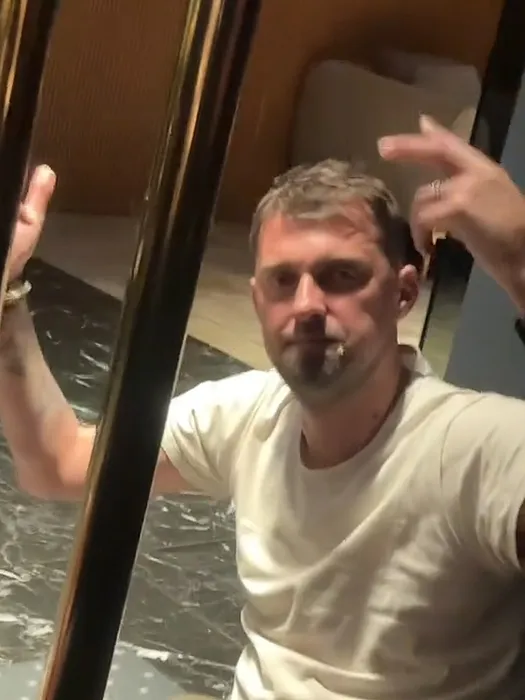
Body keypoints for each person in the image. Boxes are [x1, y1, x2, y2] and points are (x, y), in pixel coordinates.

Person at [2, 115, 525, 700]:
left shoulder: (475, 447)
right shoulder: (251, 414)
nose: (306, 305)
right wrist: (6, 290)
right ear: (257, 300)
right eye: (283, 280)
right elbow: (60, 463)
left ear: (403, 292)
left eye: (341, 276)